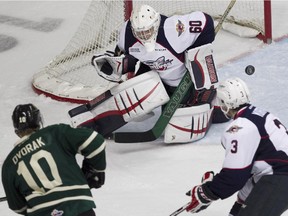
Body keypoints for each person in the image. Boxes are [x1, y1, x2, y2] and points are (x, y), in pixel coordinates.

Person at [72, 4, 228, 143]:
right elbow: (127, 57)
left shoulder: (174, 29)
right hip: (156, 78)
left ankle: (209, 100)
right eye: (140, 32)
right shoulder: (127, 34)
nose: (144, 36)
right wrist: (113, 65)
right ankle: (87, 122)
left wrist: (195, 52)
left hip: (186, 82)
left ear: (156, 24)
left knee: (183, 124)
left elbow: (206, 22)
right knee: (133, 93)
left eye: (148, 31)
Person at [185, 77, 288, 215]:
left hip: (279, 179)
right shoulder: (262, 116)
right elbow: (248, 175)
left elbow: (235, 175)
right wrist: (215, 188)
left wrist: (207, 192)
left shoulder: (240, 127)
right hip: (277, 178)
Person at [2, 104, 106, 216]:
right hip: (78, 209)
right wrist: (93, 170)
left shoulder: (9, 165)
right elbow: (95, 141)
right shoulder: (55, 133)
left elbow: (18, 207)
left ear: (16, 129)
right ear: (38, 121)